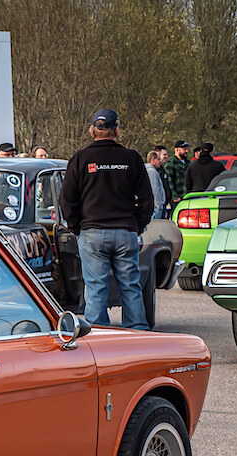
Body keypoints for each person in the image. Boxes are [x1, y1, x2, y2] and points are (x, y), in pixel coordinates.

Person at [59, 108, 153, 330]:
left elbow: (67, 199)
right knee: (131, 285)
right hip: (125, 231)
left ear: (92, 131)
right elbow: (147, 199)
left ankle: (98, 335)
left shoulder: (80, 159)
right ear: (117, 130)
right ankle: (138, 332)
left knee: (95, 287)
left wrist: (76, 227)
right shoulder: (132, 158)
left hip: (92, 232)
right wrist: (136, 226)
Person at [163, 140, 190, 208]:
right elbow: (169, 181)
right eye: (184, 149)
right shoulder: (171, 164)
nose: (187, 151)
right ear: (177, 150)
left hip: (188, 196)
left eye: (187, 149)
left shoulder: (189, 163)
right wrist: (175, 196)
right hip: (178, 199)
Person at [145, 149, 167, 219]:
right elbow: (155, 189)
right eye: (158, 159)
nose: (160, 162)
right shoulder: (152, 172)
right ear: (153, 160)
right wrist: (158, 205)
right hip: (156, 208)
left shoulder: (148, 170)